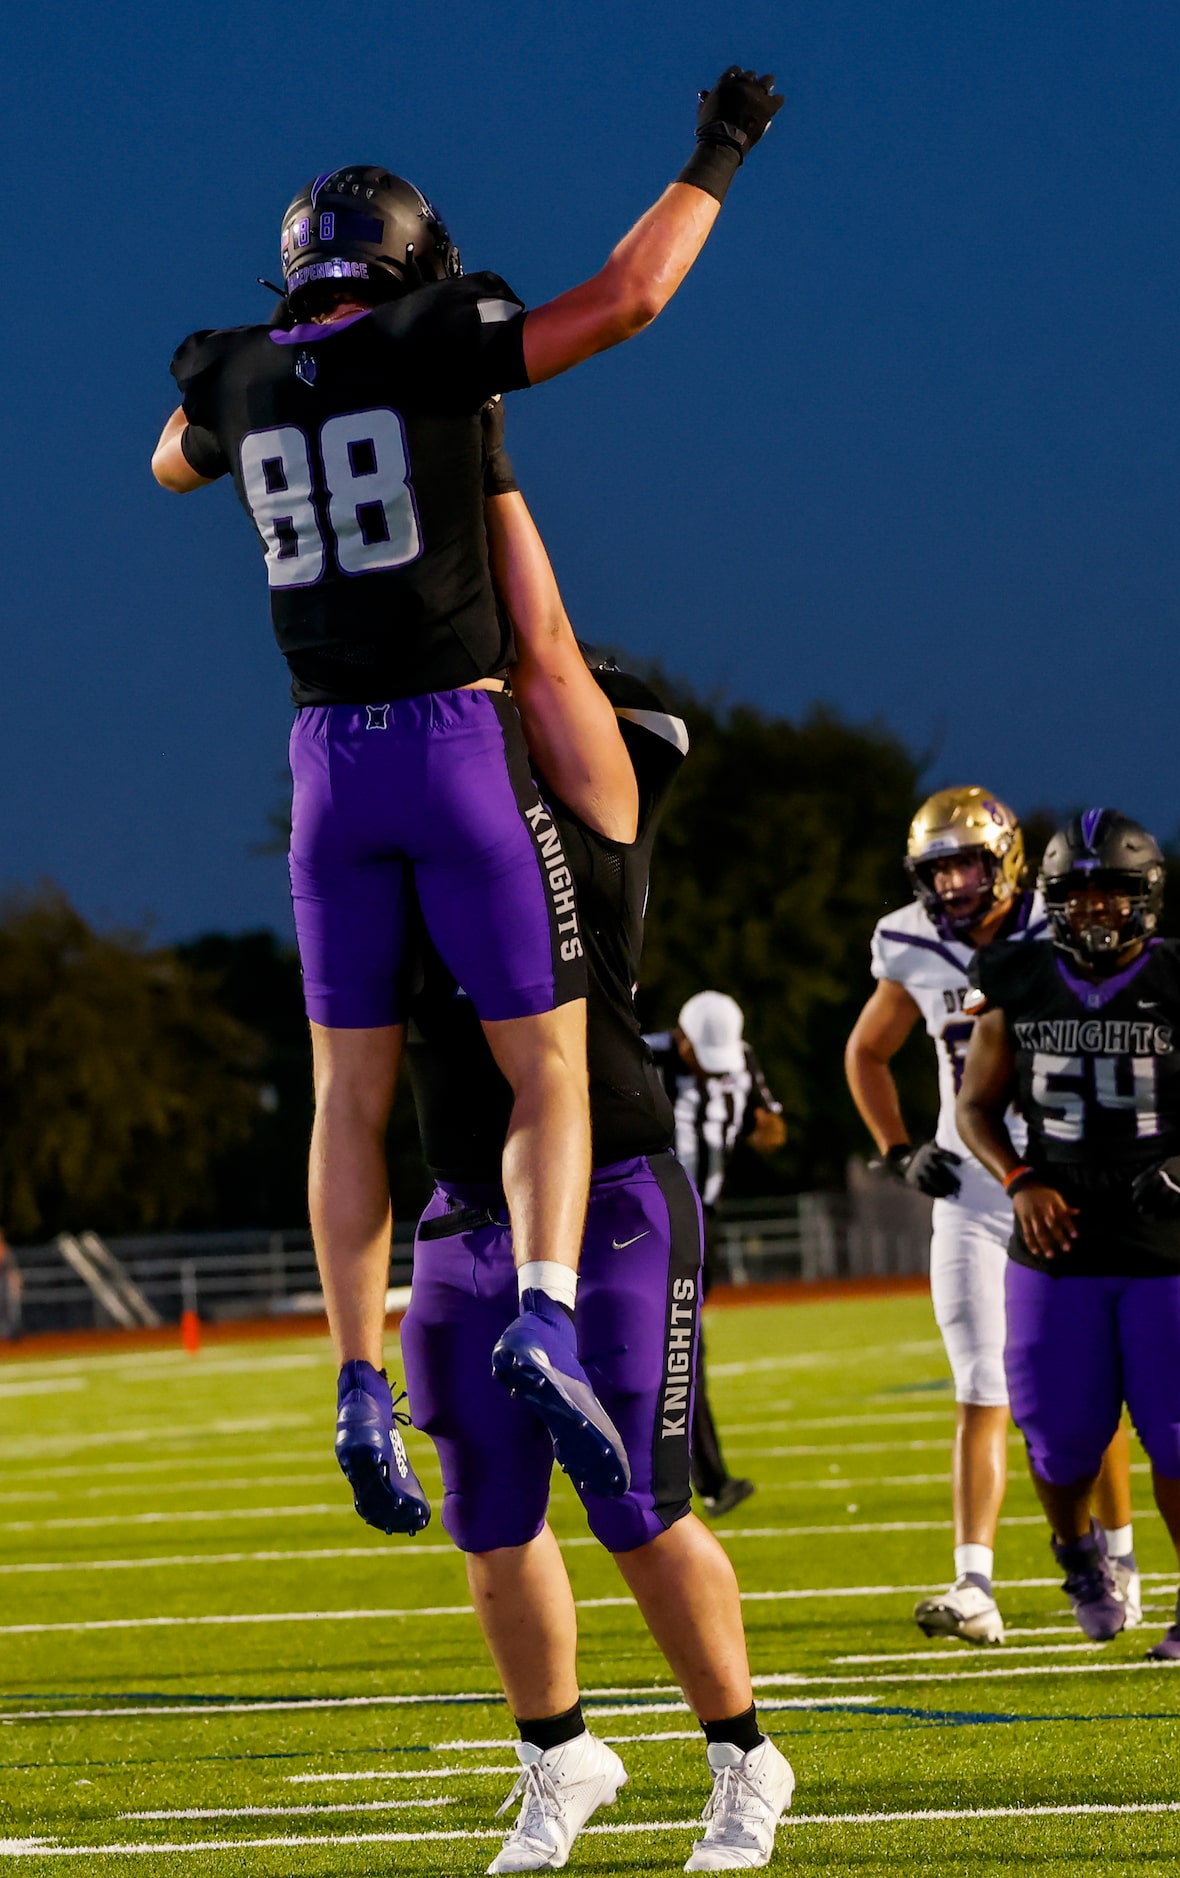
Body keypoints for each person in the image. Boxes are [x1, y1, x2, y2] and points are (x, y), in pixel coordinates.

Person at [150, 68, 786, 1516]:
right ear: (413, 265)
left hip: (322, 762)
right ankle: (547, 1312)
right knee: (546, 1065)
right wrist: (720, 148)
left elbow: (169, 464)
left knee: (344, 1092)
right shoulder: (437, 340)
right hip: (450, 739)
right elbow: (627, 296)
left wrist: (280, 402)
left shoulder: (232, 371)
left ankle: (355, 1379)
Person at [396, 455, 794, 1873]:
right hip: (460, 1203)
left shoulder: (596, 818)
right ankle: (559, 1753)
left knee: (634, 1499)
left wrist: (476, 462)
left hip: (611, 1185)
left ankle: (746, 1756)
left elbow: (548, 655)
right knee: (490, 1520)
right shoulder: (409, 842)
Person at [957, 809, 1180, 1657]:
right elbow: (974, 1108)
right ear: (1051, 901)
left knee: (1178, 1428)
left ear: (1147, 897)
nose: (1096, 910)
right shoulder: (1017, 977)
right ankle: (1077, 1555)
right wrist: (1019, 1178)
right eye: (1077, 894)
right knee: (1057, 1434)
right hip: (1059, 1234)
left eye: (1113, 893)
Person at [845, 787, 1138, 1645]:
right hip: (973, 1195)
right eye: (938, 868)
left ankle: (1117, 1560)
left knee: (1088, 1385)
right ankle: (974, 1582)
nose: (954, 882)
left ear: (1004, 860)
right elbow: (866, 1050)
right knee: (980, 1383)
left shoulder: (1059, 931)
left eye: (968, 862)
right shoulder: (908, 938)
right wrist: (899, 1146)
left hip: (1066, 1187)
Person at [646, 992, 786, 1516]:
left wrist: (764, 1126)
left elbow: (769, 1123)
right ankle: (701, 1478)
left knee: (679, 1351)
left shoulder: (740, 1057)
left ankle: (703, 1478)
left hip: (704, 1219)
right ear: (681, 1040)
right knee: (680, 1352)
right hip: (648, 1218)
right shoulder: (643, 1055)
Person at [0, 1231, 22, 1341]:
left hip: (8, 1282)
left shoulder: (6, 1250)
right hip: (3, 1282)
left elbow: (13, 1271)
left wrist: (17, 1284)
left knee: (12, 1308)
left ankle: (13, 1334)